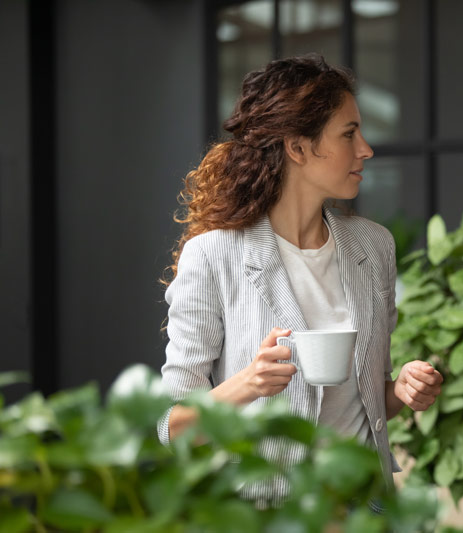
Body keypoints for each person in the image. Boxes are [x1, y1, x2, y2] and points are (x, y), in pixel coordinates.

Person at [158, 53, 443, 504]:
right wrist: (249, 382)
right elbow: (171, 425)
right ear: (298, 147)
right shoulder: (213, 255)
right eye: (349, 134)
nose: (365, 148)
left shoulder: (373, 246)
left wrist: (403, 389)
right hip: (264, 510)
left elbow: (367, 402)